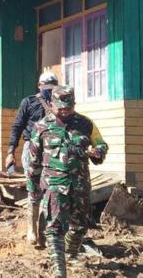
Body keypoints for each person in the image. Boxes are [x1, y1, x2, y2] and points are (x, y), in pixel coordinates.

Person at [27, 86, 108, 278]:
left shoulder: (86, 124)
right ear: (51, 105)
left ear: (74, 105)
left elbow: (101, 144)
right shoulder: (41, 128)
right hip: (54, 185)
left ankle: (70, 254)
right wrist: (33, 191)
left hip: (80, 185)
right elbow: (33, 164)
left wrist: (98, 151)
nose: (64, 111)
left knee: (80, 226)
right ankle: (59, 271)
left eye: (68, 108)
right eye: (60, 108)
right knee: (54, 229)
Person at [6, 71, 58, 245]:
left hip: (53, 150)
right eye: (46, 87)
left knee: (50, 190)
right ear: (39, 85)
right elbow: (17, 126)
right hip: (32, 148)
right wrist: (10, 152)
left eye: (52, 87)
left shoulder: (60, 104)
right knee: (33, 187)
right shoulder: (29, 102)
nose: (49, 91)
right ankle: (31, 229)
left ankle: (45, 231)